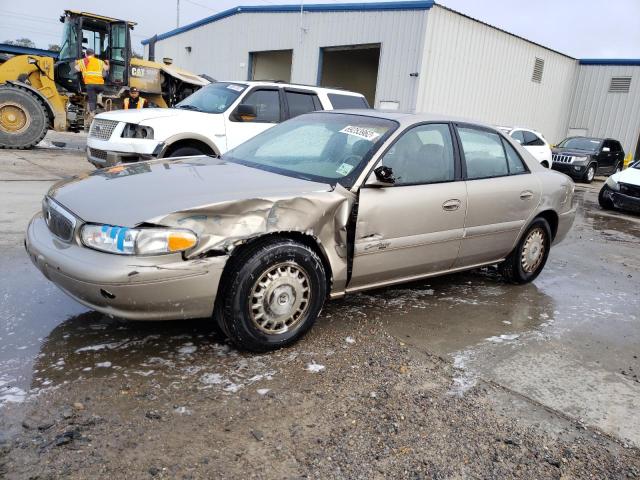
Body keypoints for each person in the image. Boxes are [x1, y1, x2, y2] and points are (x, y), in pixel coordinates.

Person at [74, 49, 109, 120]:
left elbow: (75, 69)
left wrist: (75, 63)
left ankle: (92, 113)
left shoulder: (83, 61)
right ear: (93, 54)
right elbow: (106, 69)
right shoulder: (100, 62)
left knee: (92, 100)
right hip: (100, 84)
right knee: (102, 90)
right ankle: (99, 96)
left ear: (86, 54)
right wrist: (108, 63)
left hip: (89, 84)